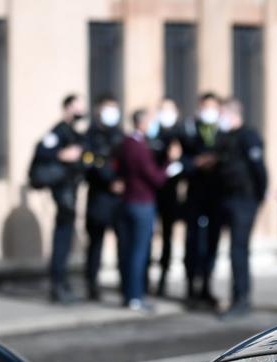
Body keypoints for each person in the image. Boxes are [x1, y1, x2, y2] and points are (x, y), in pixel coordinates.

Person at [116, 109, 182, 311]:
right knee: (139, 252)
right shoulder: (138, 147)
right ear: (142, 123)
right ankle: (135, 297)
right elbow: (156, 178)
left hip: (127, 201)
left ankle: (128, 294)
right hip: (142, 203)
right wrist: (171, 163)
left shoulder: (125, 143)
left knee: (127, 251)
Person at [213, 97, 267, 317]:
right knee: (233, 251)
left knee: (238, 251)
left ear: (233, 114)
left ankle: (241, 299)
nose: (219, 119)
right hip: (227, 199)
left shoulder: (248, 136)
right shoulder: (224, 138)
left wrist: (257, 198)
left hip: (244, 200)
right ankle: (237, 297)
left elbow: (259, 170)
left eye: (222, 114)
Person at [37, 93, 86, 303]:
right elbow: (42, 152)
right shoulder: (58, 131)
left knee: (67, 239)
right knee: (62, 237)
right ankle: (57, 285)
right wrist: (61, 154)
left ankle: (63, 283)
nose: (80, 111)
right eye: (76, 106)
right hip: (62, 191)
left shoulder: (74, 132)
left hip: (71, 190)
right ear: (66, 108)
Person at [181, 92, 224, 309]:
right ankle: (191, 288)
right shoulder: (189, 130)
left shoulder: (223, 132)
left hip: (215, 197)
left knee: (211, 243)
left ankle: (207, 286)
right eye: (205, 106)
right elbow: (182, 161)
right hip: (196, 196)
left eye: (213, 107)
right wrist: (197, 162)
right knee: (193, 242)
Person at [83, 94, 125, 301]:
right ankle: (91, 284)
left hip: (119, 199)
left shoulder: (119, 134)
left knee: (123, 242)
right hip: (99, 197)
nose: (112, 113)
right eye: (108, 108)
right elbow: (91, 164)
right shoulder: (91, 135)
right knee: (95, 244)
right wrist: (109, 181)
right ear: (98, 110)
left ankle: (125, 283)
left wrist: (122, 182)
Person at [148, 98, 185, 296]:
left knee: (167, 236)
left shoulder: (180, 134)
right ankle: (145, 278)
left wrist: (176, 159)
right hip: (151, 193)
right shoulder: (152, 133)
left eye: (169, 110)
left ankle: (163, 277)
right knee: (147, 236)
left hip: (170, 194)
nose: (165, 114)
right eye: (162, 109)